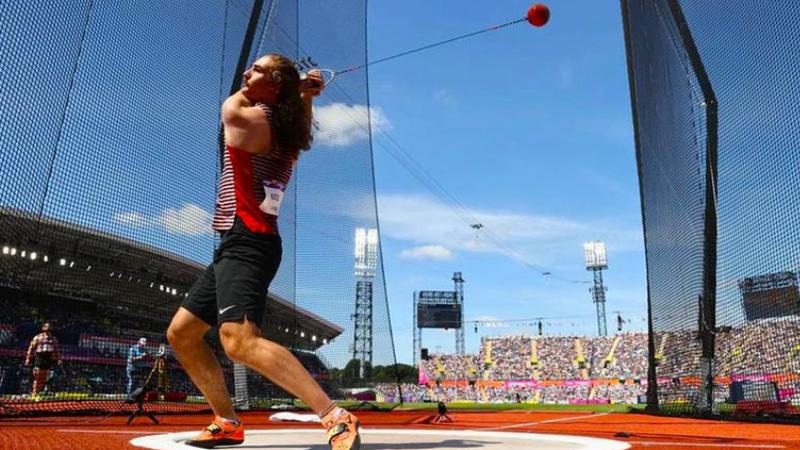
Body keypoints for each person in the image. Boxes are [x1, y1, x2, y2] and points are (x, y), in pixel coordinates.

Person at [167, 53, 360, 449]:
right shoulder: (285, 124)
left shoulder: (249, 118)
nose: (245, 73)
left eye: (255, 70)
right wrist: (301, 95)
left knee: (237, 340)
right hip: (241, 242)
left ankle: (335, 416)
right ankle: (227, 420)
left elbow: (230, 106)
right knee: (183, 334)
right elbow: (293, 116)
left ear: (272, 85)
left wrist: (296, 90)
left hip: (248, 240)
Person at [24, 322, 61, 398]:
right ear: (43, 328)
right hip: (40, 356)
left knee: (43, 378)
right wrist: (28, 358)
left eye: (49, 327)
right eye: (46, 327)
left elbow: (56, 350)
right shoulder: (38, 337)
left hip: (48, 357)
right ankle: (34, 393)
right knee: (37, 375)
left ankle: (36, 393)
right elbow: (31, 348)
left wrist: (59, 359)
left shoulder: (53, 338)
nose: (48, 328)